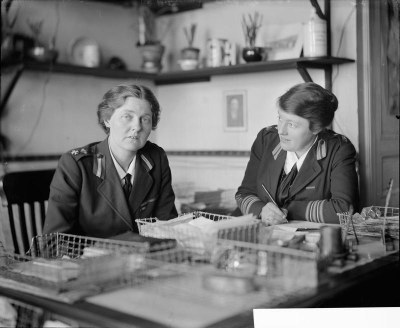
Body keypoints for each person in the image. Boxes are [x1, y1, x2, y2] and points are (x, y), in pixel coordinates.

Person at [43, 84, 178, 237]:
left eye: (145, 119)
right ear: (107, 119)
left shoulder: (156, 158)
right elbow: (54, 241)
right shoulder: (76, 164)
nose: (137, 126)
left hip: (145, 258)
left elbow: (168, 226)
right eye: (127, 117)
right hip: (90, 259)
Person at [235, 82, 359, 225]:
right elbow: (243, 194)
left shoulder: (338, 149)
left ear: (316, 128)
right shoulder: (266, 139)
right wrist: (261, 210)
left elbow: (343, 210)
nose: (281, 130)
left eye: (292, 124)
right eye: (280, 118)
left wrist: (288, 210)